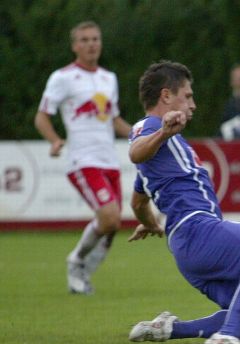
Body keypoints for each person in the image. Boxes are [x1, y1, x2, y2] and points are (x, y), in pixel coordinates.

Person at [126, 61, 240, 344]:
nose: (193, 104)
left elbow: (138, 202)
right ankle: (226, 336)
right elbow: (135, 151)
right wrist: (162, 131)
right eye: (187, 96)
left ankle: (168, 329)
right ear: (166, 96)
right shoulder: (150, 128)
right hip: (198, 229)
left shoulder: (165, 150)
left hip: (186, 246)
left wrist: (150, 224)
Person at [35, 20, 133, 295]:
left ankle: (82, 277)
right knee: (109, 217)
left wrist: (143, 134)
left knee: (112, 225)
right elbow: (42, 116)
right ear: (75, 46)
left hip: (109, 160)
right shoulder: (62, 77)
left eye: (95, 39)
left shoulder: (109, 78)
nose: (91, 44)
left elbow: (114, 120)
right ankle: (76, 261)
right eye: (85, 40)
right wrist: (55, 140)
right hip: (83, 160)